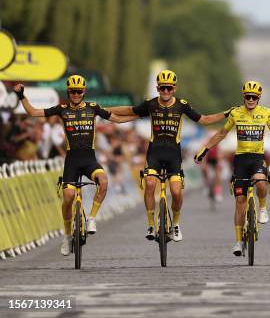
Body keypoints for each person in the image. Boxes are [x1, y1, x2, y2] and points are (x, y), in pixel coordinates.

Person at [14, 76, 137, 256]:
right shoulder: (62, 109)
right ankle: (66, 236)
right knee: (68, 198)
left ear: (84, 92)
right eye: (73, 91)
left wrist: (141, 114)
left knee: (103, 181)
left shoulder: (92, 108)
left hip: (89, 160)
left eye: (79, 91)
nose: (76, 94)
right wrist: (21, 96)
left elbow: (117, 119)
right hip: (72, 161)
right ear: (68, 92)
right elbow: (33, 112)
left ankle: (92, 218)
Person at [108, 70, 232, 242]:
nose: (165, 92)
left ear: (174, 88)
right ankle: (151, 224)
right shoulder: (151, 104)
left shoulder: (182, 105)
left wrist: (226, 113)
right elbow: (129, 111)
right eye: (162, 88)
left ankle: (176, 225)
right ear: (158, 88)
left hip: (174, 155)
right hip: (154, 154)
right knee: (150, 184)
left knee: (176, 192)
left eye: (169, 88)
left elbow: (204, 120)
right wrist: (102, 110)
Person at [194, 81, 270, 256]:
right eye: (247, 97)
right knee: (240, 202)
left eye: (254, 97)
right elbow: (221, 134)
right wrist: (204, 150)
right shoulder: (236, 113)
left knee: (260, 182)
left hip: (258, 158)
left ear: (259, 98)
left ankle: (263, 208)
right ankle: (237, 241)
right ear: (243, 97)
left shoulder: (266, 113)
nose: (250, 100)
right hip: (241, 160)